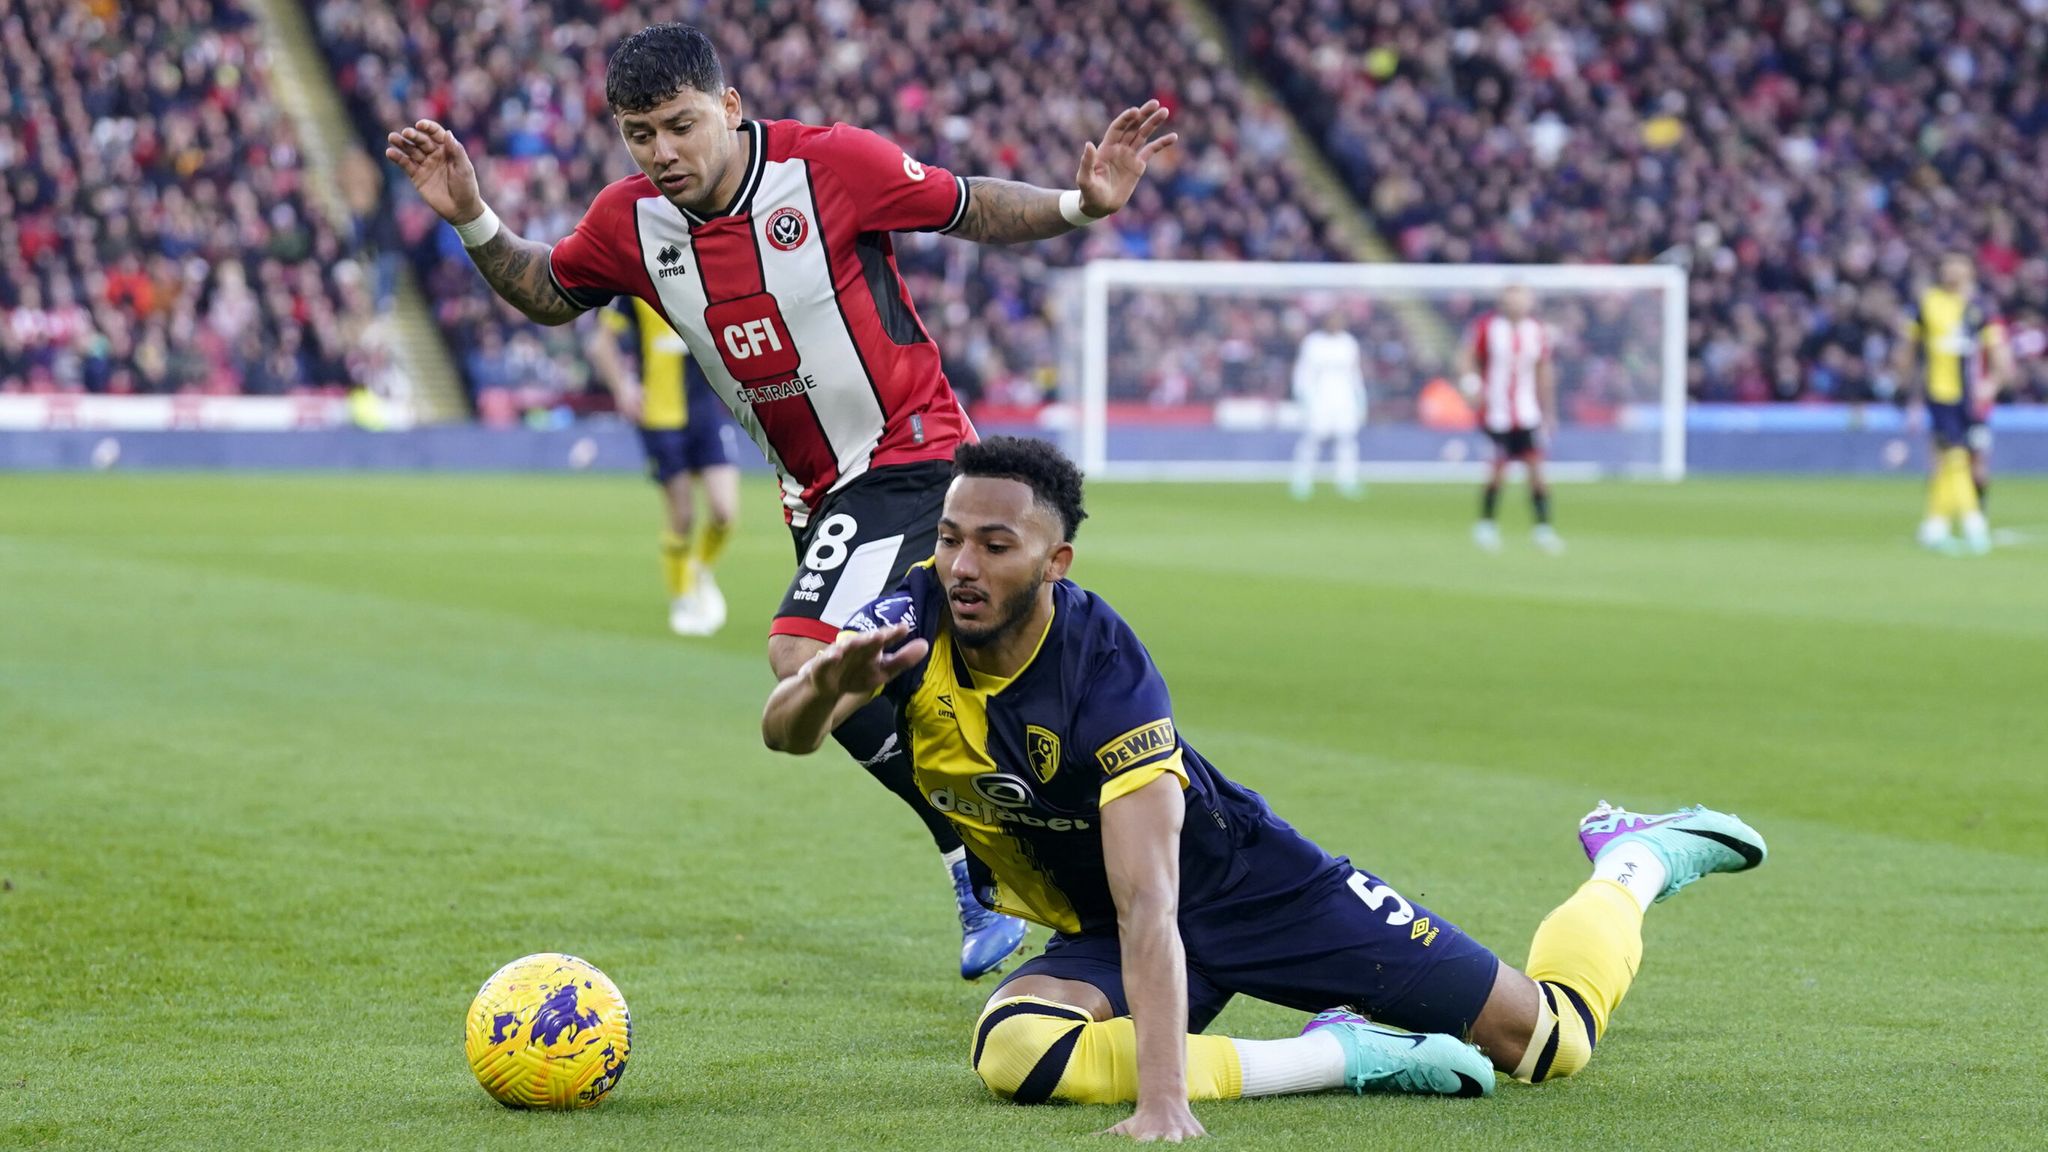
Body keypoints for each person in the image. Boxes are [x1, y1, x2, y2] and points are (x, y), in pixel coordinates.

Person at [384, 22, 1177, 978]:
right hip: (816, 494)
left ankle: (977, 853)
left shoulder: (830, 164)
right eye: (641, 135)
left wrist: (1077, 204)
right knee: (883, 681)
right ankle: (1025, 850)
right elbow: (551, 288)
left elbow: (966, 207)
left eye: (680, 125)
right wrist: (472, 215)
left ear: (728, 107)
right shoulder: (631, 221)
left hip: (911, 449)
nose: (663, 152)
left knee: (802, 652)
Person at [761, 436, 1767, 1141]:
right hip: (1106, 927)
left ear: (1054, 561)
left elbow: (1156, 893)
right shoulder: (914, 614)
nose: (961, 564)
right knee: (1016, 1053)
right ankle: (1346, 1056)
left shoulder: (1104, 674)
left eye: (995, 544)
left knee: (1544, 1044)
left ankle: (1631, 858)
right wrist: (828, 686)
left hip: (1247, 886)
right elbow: (783, 735)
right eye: (948, 536)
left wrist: (1164, 1101)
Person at [585, 296, 743, 635]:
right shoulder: (635, 287)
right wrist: (623, 388)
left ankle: (698, 570)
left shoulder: (704, 279)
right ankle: (682, 597)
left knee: (724, 512)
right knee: (682, 515)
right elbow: (600, 344)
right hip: (659, 415)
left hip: (705, 413)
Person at [1896, 252, 2014, 555]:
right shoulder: (1928, 303)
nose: (1951, 270)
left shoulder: (1980, 308)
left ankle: (1940, 524)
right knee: (1952, 458)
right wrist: (1906, 389)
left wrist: (1992, 384)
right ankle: (1968, 526)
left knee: (1966, 461)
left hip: (1972, 399)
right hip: (1940, 394)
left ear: (1970, 270)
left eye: (1958, 264)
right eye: (1947, 264)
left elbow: (2000, 353)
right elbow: (1909, 348)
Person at [1459, 286, 1560, 554]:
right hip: (1496, 413)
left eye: (1521, 300)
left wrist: (1548, 410)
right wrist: (1471, 385)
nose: (1516, 305)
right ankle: (1486, 525)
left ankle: (1543, 529)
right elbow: (1467, 357)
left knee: (1537, 471)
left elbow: (1543, 370)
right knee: (1497, 471)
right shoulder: (1487, 327)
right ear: (1503, 302)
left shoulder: (1536, 331)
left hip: (1527, 413)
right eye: (1511, 300)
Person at [1288, 309, 1367, 500]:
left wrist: (1360, 398)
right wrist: (1302, 397)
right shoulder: (1313, 343)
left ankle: (1346, 481)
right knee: (1313, 438)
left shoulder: (1348, 343)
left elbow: (1355, 373)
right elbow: (1303, 372)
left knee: (1346, 440)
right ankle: (1302, 480)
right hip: (1319, 399)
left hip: (1344, 398)